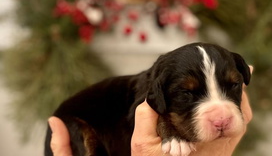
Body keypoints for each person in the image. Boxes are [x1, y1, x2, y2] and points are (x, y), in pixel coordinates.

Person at [49, 67, 253, 156]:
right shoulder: (150, 94)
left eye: (233, 86)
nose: (221, 115)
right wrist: (170, 132)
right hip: (79, 123)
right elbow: (148, 114)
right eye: (188, 94)